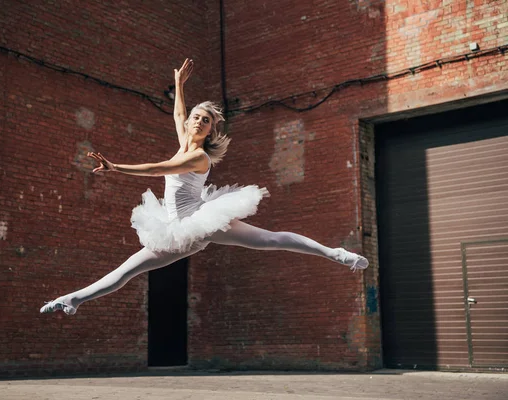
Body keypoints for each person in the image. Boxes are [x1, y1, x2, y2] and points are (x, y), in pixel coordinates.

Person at [40, 59, 368, 315]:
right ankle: (73, 299)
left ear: (211, 130)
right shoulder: (184, 138)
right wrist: (179, 85)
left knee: (269, 239)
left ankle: (336, 254)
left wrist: (116, 167)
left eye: (206, 120)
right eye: (197, 117)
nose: (198, 121)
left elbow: (159, 169)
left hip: (200, 220)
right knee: (127, 270)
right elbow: (178, 111)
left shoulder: (197, 156)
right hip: (172, 229)